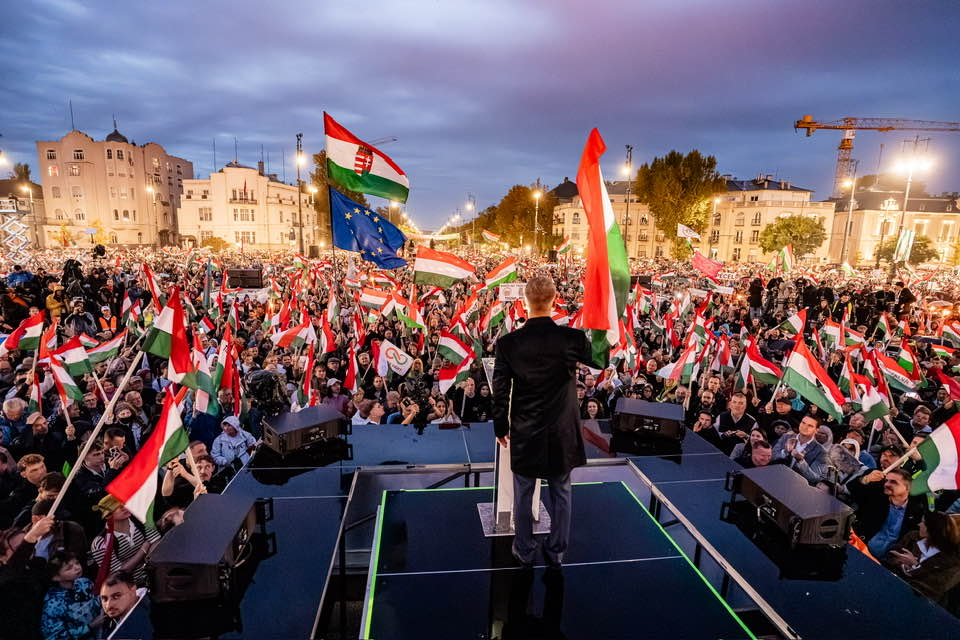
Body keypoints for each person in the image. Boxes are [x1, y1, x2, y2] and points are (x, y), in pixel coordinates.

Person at [493, 275, 596, 569]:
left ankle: (524, 549)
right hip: (563, 431)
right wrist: (600, 330)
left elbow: (500, 391)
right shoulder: (573, 339)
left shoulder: (508, 343)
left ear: (525, 301)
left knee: (523, 494)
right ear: (554, 300)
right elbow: (600, 361)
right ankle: (557, 551)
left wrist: (500, 427)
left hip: (526, 431)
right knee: (561, 491)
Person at [849, 468, 925, 558]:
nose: (887, 484)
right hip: (859, 548)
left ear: (908, 488)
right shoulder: (876, 495)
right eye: (886, 481)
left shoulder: (917, 511)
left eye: (893, 482)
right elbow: (851, 489)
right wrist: (866, 479)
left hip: (888, 561)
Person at [884, 511, 960, 601]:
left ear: (933, 531)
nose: (919, 524)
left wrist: (915, 566)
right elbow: (889, 556)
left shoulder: (953, 563)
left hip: (910, 600)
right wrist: (902, 564)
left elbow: (933, 589)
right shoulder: (912, 537)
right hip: (887, 582)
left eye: (924, 523)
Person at [40, 551, 100, 640]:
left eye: (77, 563)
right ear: (56, 577)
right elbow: (54, 637)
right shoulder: (53, 604)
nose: (77, 568)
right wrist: (90, 627)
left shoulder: (85, 582)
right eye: (69, 568)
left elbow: (98, 601)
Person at [772, 415, 829, 485]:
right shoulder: (786, 437)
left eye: (810, 426)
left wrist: (801, 461)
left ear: (816, 430)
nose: (805, 427)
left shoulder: (821, 451)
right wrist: (785, 451)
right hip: (776, 478)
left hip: (797, 487)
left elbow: (815, 478)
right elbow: (771, 457)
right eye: (803, 423)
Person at [98, 570, 145, 636]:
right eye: (104, 599)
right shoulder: (109, 625)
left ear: (133, 591)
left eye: (116, 596)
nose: (108, 605)